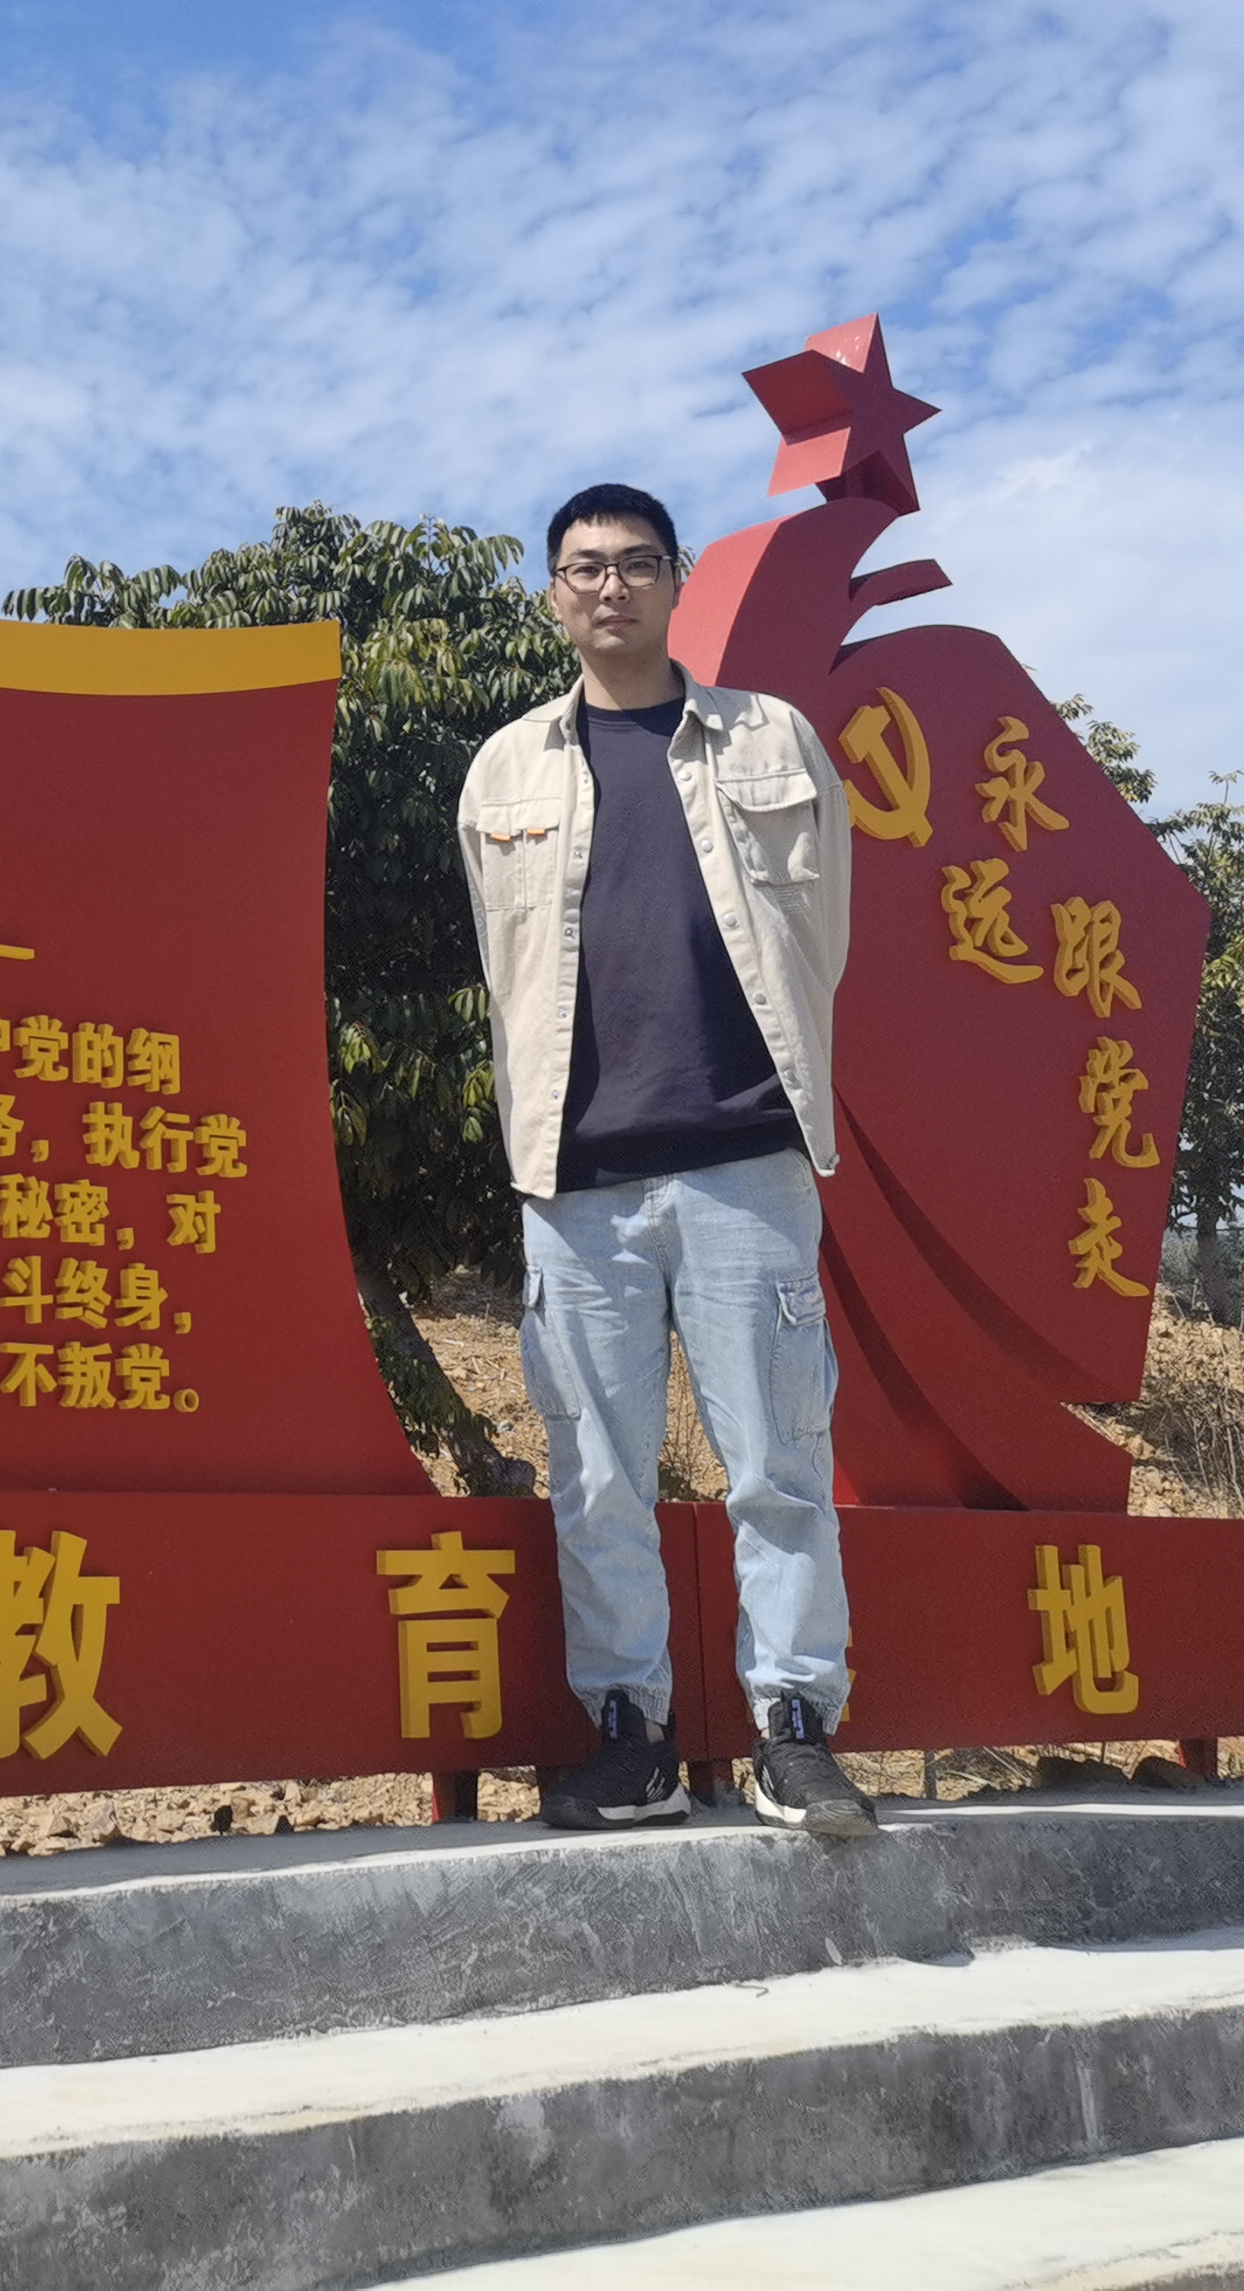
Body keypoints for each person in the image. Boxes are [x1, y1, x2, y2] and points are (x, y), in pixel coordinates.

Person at [453, 483, 873, 1839]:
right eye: (585, 568)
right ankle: (630, 1736)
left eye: (637, 563)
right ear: (554, 594)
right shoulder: (506, 770)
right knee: (596, 1477)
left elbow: (823, 936)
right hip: (576, 1180)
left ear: (676, 580)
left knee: (779, 1464)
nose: (611, 587)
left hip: (745, 1157)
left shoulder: (770, 737)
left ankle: (794, 1730)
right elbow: (506, 967)